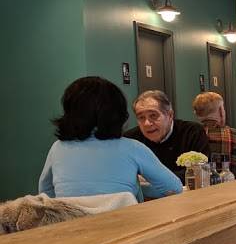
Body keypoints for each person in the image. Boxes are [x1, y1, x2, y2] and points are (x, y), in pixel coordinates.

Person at [38, 76, 182, 201]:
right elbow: (174, 188)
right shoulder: (132, 148)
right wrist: (134, 187)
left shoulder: (57, 148)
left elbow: (46, 193)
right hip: (124, 222)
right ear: (118, 113)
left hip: (74, 222)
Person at [125, 89, 210, 182]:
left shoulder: (192, 132)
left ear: (170, 115)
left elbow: (201, 170)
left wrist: (152, 178)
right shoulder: (130, 139)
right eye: (141, 117)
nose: (147, 123)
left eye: (153, 115)